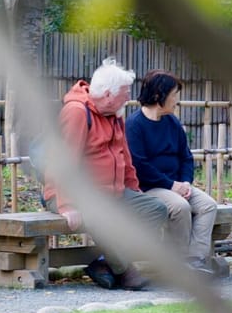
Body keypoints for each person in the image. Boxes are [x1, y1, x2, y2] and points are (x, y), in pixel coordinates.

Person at [43, 58, 168, 291]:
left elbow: (125, 155)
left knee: (156, 210)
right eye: (125, 93)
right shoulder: (77, 112)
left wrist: (133, 188)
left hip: (111, 193)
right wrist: (67, 205)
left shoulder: (115, 113)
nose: (129, 98)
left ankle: (104, 263)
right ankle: (125, 271)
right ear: (109, 94)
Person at [125, 72, 223, 275]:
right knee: (180, 206)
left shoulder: (172, 122)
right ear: (159, 95)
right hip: (149, 187)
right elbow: (139, 165)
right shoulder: (134, 125)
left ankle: (196, 260)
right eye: (174, 94)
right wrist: (172, 185)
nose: (176, 100)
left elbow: (185, 157)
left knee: (208, 205)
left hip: (176, 185)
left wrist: (185, 182)